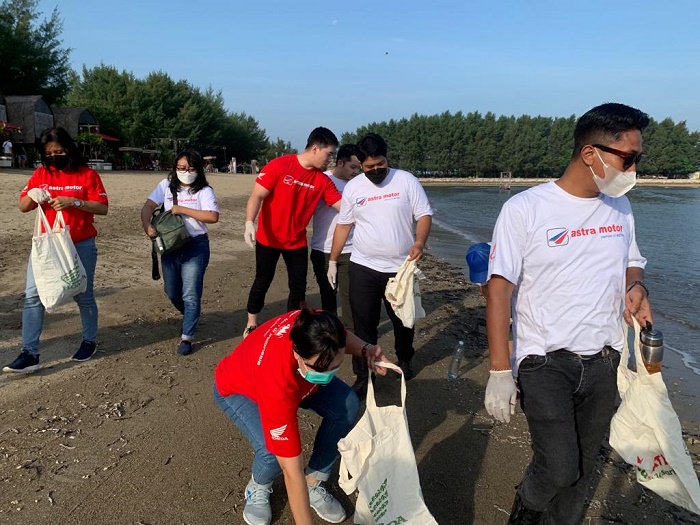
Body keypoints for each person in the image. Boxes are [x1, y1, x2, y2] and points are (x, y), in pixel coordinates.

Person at [484, 103, 653, 524]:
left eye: (637, 159)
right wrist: (500, 370)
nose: (633, 169)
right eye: (628, 159)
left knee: (580, 478)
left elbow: (633, 260)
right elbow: (499, 289)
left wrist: (636, 285)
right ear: (590, 153)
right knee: (559, 467)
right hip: (544, 361)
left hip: (605, 359)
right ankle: (523, 512)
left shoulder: (620, 208)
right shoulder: (525, 208)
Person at [214, 307, 390, 525]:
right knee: (272, 455)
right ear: (297, 352)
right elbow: (291, 470)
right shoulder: (276, 383)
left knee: (347, 405)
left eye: (335, 367)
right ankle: (258, 485)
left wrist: (367, 349)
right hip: (239, 389)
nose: (327, 375)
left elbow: (341, 338)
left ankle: (314, 480)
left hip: (300, 379)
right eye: (321, 368)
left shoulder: (318, 326)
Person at [328, 132, 433, 394]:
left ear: (387, 158)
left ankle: (405, 358)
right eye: (369, 167)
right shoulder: (354, 188)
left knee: (403, 322)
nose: (376, 171)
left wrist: (419, 243)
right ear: (360, 164)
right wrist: (332, 260)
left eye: (381, 165)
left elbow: (423, 215)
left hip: (400, 269)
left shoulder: (406, 181)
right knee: (363, 326)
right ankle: (364, 375)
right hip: (363, 266)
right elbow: (344, 225)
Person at [3, 127, 109, 373]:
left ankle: (89, 340)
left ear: (68, 149)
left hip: (79, 243)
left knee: (83, 293)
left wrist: (75, 202)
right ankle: (29, 353)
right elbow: (22, 206)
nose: (53, 157)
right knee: (32, 295)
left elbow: (102, 207)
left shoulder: (87, 174)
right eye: (48, 153)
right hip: (46, 245)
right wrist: (33, 194)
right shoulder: (41, 173)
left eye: (58, 151)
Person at [243, 127, 341, 337]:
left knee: (298, 287)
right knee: (262, 281)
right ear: (316, 148)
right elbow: (257, 196)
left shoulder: (323, 180)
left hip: (296, 241)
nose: (330, 160)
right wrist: (249, 223)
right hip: (268, 238)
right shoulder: (280, 165)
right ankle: (251, 322)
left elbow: (342, 205)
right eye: (329, 154)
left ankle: (290, 326)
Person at [140, 150, 219, 356]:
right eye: (182, 168)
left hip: (196, 245)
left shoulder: (204, 191)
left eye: (191, 169)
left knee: (190, 293)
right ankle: (190, 316)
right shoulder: (165, 185)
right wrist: (147, 225)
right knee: (172, 291)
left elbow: (212, 216)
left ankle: (187, 337)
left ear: (198, 170)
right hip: (171, 245)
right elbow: (147, 207)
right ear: (175, 168)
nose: (186, 172)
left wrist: (183, 209)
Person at [309, 144, 361, 328]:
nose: (356, 172)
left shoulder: (359, 185)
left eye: (358, 168)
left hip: (350, 249)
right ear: (340, 162)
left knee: (350, 296)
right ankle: (331, 330)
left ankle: (352, 334)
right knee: (328, 293)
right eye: (352, 167)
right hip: (321, 247)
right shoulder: (322, 179)